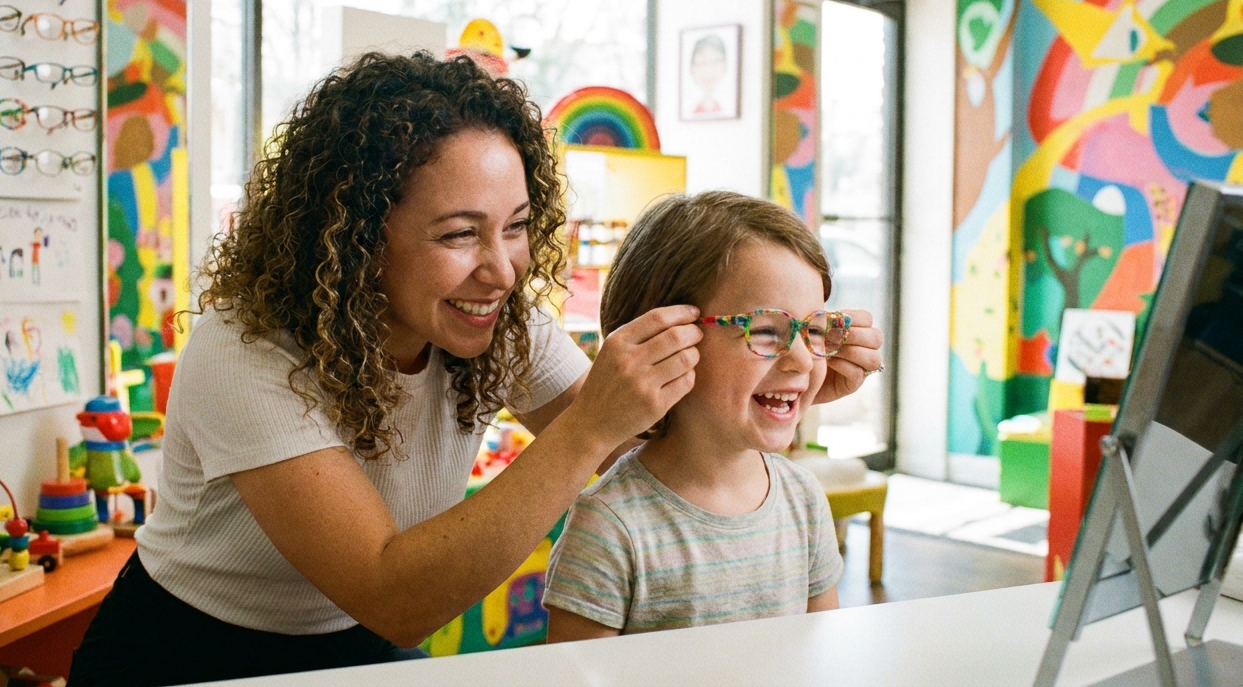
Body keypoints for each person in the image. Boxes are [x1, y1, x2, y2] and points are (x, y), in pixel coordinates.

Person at [69, 53, 882, 685]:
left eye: (517, 227)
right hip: (191, 651)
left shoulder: (497, 318)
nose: (502, 270)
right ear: (357, 236)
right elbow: (395, 598)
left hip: (354, 645)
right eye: (460, 234)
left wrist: (788, 379)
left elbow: (654, 443)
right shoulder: (246, 351)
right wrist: (588, 427)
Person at [544, 192, 845, 641]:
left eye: (815, 329)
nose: (803, 359)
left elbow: (820, 654)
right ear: (666, 340)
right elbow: (576, 672)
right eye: (766, 330)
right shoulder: (609, 525)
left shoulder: (803, 499)